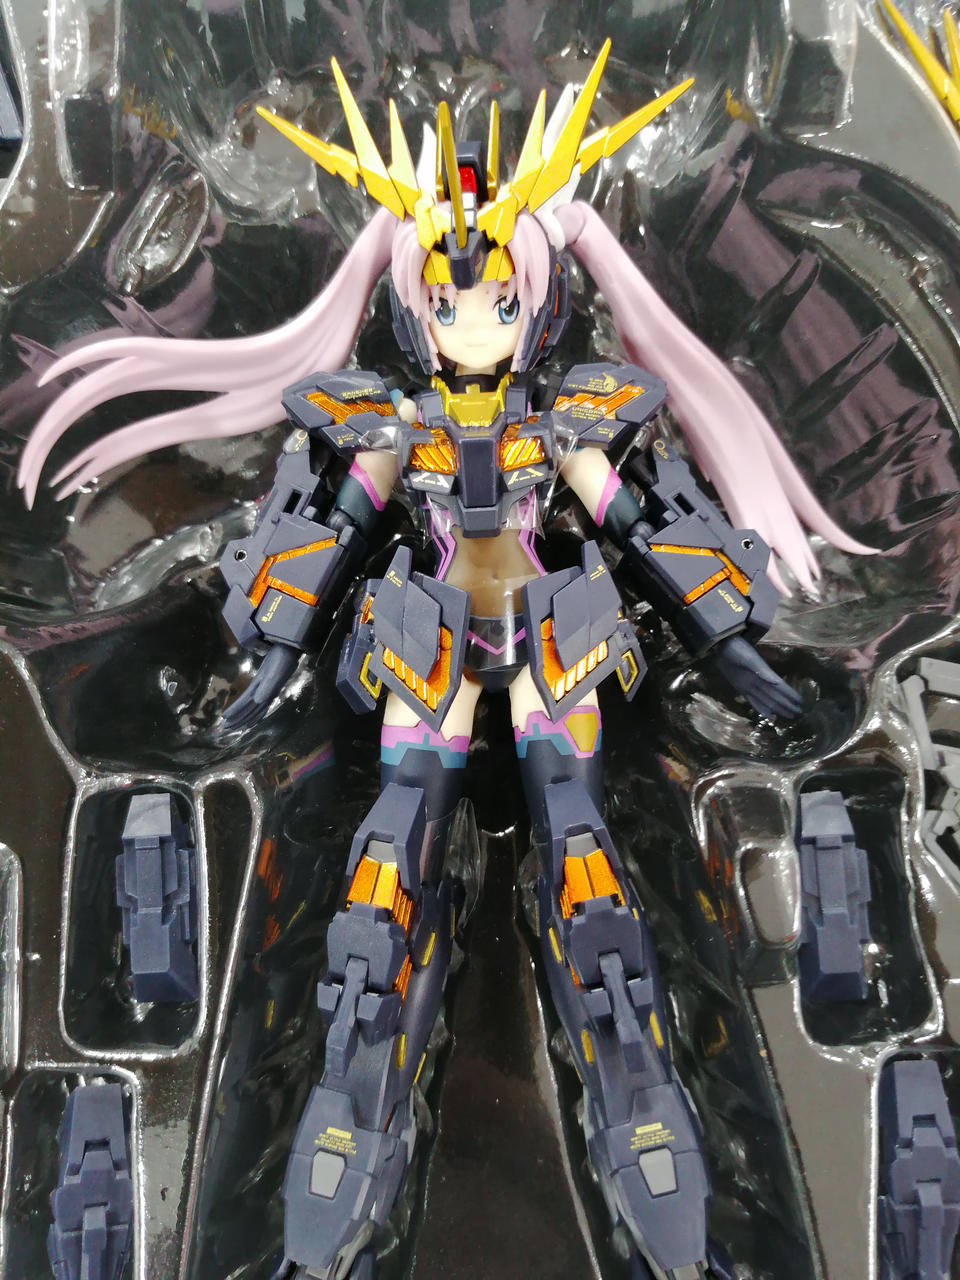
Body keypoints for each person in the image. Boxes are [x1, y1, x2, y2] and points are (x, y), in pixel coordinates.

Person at [17, 41, 869, 1280]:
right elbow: (316, 536)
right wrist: (264, 663)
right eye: (451, 303)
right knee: (382, 879)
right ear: (414, 303)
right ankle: (349, 1117)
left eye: (498, 303)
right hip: (424, 654)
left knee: (590, 873)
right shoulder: (384, 423)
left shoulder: (572, 415)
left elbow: (652, 523)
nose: (475, 324)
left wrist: (736, 647)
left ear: (540, 296)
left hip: (555, 646)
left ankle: (643, 1115)